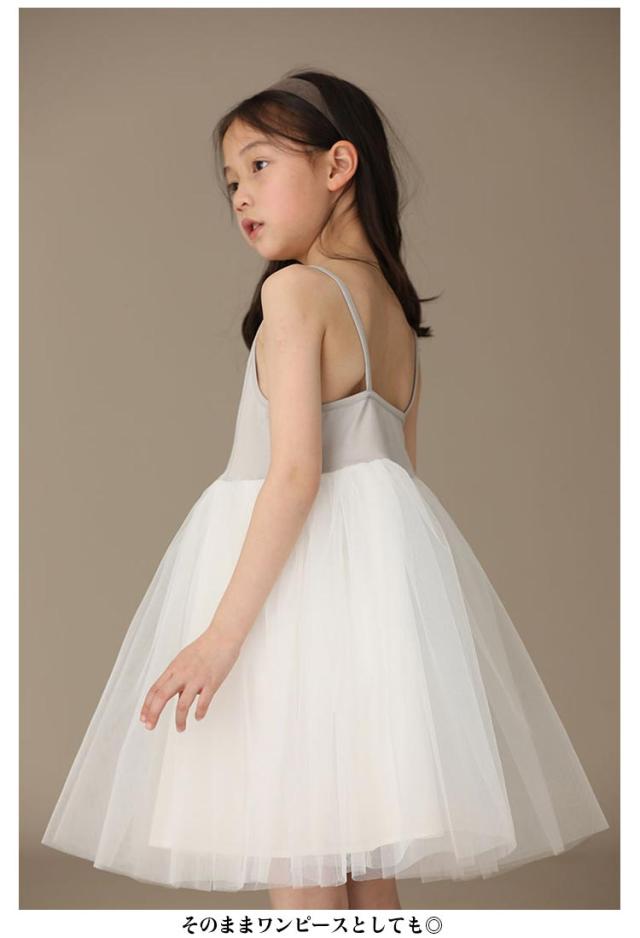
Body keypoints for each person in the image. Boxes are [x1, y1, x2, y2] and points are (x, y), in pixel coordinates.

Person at [41, 69, 609, 911]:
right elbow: (397, 476)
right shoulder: (394, 314)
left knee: (296, 842)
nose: (240, 195)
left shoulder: (296, 292)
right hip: (368, 603)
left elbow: (296, 474)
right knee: (361, 852)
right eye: (230, 181)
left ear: (339, 165)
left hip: (284, 599)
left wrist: (220, 639)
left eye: (260, 165)